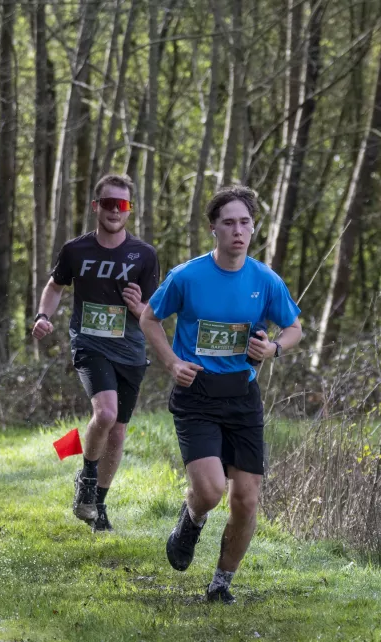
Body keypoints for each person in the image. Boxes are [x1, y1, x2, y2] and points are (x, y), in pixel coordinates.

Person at [140, 185, 302, 604]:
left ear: (254, 228)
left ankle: (220, 584)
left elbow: (294, 328)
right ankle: (192, 519)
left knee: (246, 498)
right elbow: (149, 318)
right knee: (211, 491)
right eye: (228, 223)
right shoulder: (187, 276)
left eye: (245, 222)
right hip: (196, 393)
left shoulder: (265, 280)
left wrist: (274, 348)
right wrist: (171, 363)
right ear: (213, 228)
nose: (238, 231)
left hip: (242, 397)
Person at [32, 174, 160, 531]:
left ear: (130, 210)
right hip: (89, 344)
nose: (115, 210)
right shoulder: (76, 250)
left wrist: (138, 308)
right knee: (105, 413)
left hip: (130, 350)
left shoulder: (145, 255)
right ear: (95, 207)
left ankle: (98, 505)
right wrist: (43, 316)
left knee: (117, 432)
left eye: (122, 204)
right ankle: (86, 481)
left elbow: (155, 312)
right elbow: (54, 286)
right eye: (108, 204)